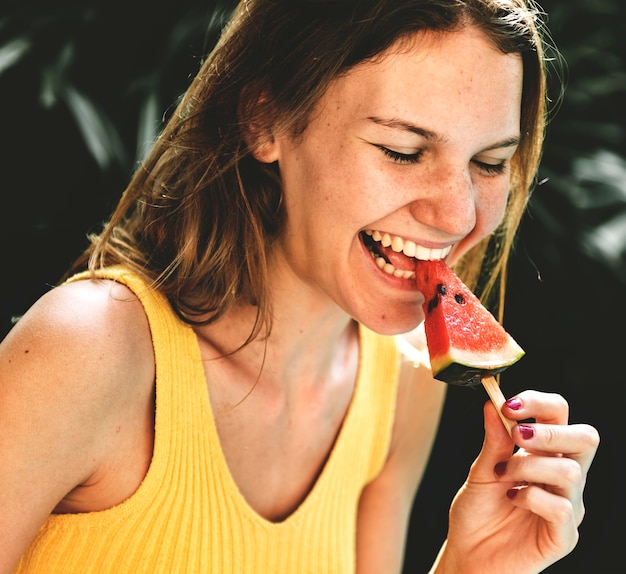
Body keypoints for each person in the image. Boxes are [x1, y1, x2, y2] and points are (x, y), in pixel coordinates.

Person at [0, 0, 599, 572]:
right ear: (266, 120)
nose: (458, 215)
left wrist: (475, 566)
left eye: (490, 163)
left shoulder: (403, 385)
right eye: (403, 151)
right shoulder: (87, 352)